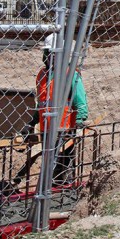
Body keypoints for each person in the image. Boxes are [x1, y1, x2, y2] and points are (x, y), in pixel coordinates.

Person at [35, 33, 88, 180]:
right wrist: (32, 122)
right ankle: (50, 187)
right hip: (46, 127)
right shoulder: (42, 75)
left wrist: (81, 118)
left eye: (49, 53)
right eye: (46, 53)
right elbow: (41, 102)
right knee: (48, 160)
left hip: (64, 127)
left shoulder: (69, 74)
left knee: (64, 161)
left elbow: (79, 97)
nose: (46, 56)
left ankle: (64, 187)